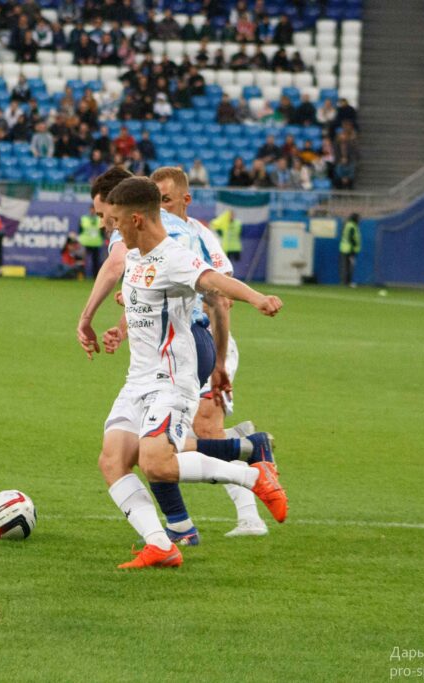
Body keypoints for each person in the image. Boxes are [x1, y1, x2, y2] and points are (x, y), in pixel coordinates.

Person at [91, 176, 287, 568]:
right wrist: (122, 322)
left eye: (117, 221)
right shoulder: (135, 257)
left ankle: (254, 477)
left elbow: (213, 282)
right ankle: (160, 544)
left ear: (137, 220)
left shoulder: (173, 257)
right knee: (112, 460)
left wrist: (257, 298)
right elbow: (143, 302)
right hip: (137, 380)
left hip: (170, 379)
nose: (112, 229)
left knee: (157, 463)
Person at [151, 166, 269, 537]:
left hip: (205, 343)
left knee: (200, 428)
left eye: (166, 201)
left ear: (186, 200)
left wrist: (220, 361)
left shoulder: (200, 236)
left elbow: (221, 297)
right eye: (155, 202)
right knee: (173, 439)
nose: (161, 209)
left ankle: (249, 516)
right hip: (172, 349)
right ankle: (243, 444)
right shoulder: (155, 240)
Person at [78, 205, 104, 278]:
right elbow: (80, 230)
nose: (93, 211)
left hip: (96, 243)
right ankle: (81, 275)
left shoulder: (100, 219)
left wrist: (102, 239)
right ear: (90, 210)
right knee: (82, 261)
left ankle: (95, 276)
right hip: (85, 243)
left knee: (96, 261)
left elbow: (102, 232)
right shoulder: (84, 218)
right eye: (92, 209)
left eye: (94, 209)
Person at [339, 213, 361, 287]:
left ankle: (345, 282)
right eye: (358, 218)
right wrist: (353, 249)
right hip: (349, 249)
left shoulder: (348, 225)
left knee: (346, 266)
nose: (359, 220)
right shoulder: (352, 226)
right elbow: (351, 238)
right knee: (349, 266)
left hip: (345, 249)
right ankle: (347, 282)